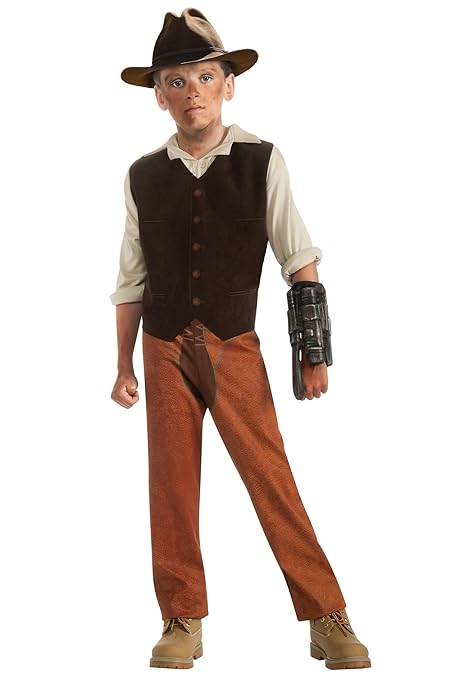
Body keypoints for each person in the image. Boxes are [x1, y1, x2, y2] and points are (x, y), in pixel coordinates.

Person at [110, 7, 371, 671]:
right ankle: (181, 617)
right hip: (162, 345)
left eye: (204, 76)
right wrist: (123, 364)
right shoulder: (143, 174)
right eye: (174, 81)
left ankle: (326, 614)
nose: (190, 91)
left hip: (233, 344)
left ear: (228, 85)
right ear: (159, 95)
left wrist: (312, 352)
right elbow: (130, 278)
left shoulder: (261, 161)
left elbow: (299, 258)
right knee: (170, 484)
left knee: (270, 478)